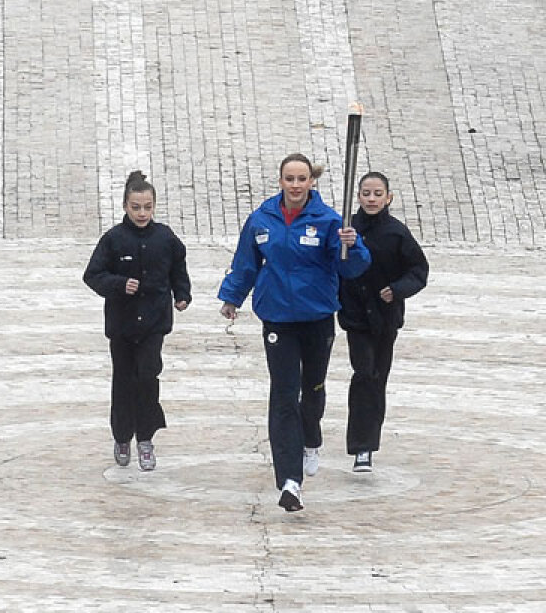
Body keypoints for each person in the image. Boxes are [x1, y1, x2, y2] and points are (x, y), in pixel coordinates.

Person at [219, 153, 371, 511]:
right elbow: (246, 263)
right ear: (281, 181)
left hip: (317, 317)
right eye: (290, 178)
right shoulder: (262, 219)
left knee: (312, 388)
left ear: (311, 182)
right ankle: (290, 481)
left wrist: (354, 245)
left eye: (302, 179)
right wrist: (232, 297)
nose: (296, 185)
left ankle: (311, 437)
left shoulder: (329, 221)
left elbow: (351, 270)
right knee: (284, 395)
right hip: (277, 318)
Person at [84, 170, 191, 472]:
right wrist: (119, 284)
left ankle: (145, 438)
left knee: (147, 377)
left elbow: (178, 271)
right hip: (122, 325)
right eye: (136, 207)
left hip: (154, 324)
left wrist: (182, 295)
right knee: (123, 382)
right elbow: (92, 275)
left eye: (147, 207)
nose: (142, 213)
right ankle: (121, 437)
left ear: (154, 206)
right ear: (125, 206)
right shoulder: (113, 239)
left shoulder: (166, 238)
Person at [338, 171, 428, 473]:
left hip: (386, 319)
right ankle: (360, 445)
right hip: (355, 316)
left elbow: (418, 270)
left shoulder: (397, 233)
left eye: (377, 193)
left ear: (388, 197)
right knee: (363, 373)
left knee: (378, 377)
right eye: (366, 193)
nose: (372, 199)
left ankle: (368, 445)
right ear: (358, 196)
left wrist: (398, 290)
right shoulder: (345, 228)